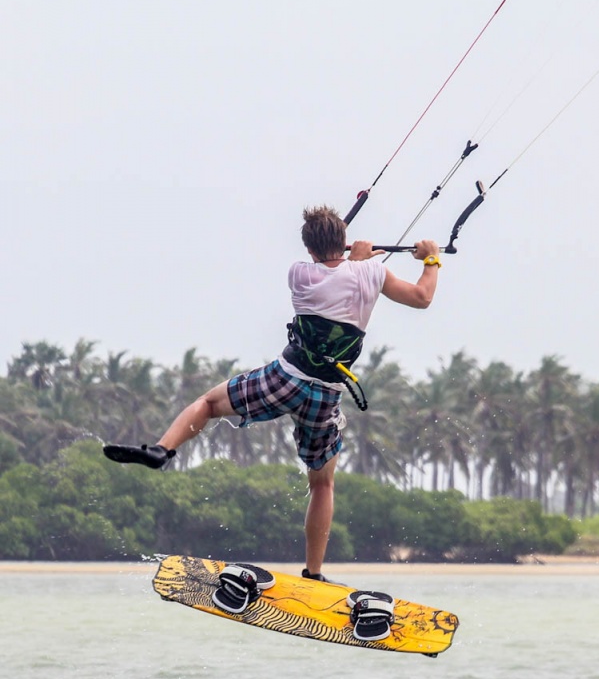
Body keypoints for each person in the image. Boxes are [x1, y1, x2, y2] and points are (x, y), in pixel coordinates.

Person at [104, 206, 441, 580]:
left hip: (284, 378)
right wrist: (430, 258)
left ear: (311, 250)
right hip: (324, 397)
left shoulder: (300, 273)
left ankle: (161, 449)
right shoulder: (373, 273)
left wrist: (356, 260)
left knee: (209, 403)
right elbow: (422, 297)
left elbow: (339, 270)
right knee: (323, 483)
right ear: (342, 244)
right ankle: (313, 573)